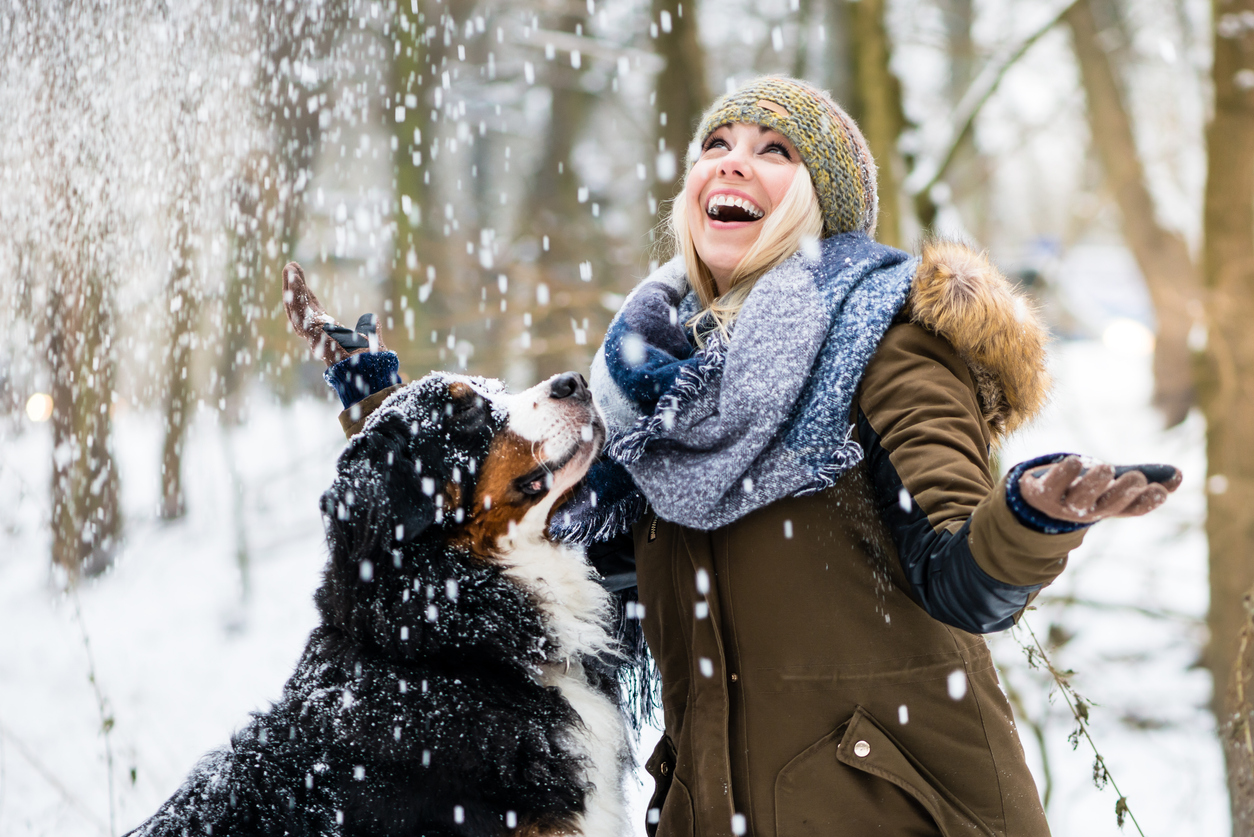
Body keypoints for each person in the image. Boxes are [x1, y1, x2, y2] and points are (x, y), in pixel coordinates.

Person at [286, 76, 1179, 837]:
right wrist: (383, 416)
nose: (731, 158)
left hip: (893, 809)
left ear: (816, 202)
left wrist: (1030, 517)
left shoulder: (887, 342)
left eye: (773, 149)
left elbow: (963, 577)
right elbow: (533, 529)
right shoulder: (651, 391)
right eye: (715, 142)